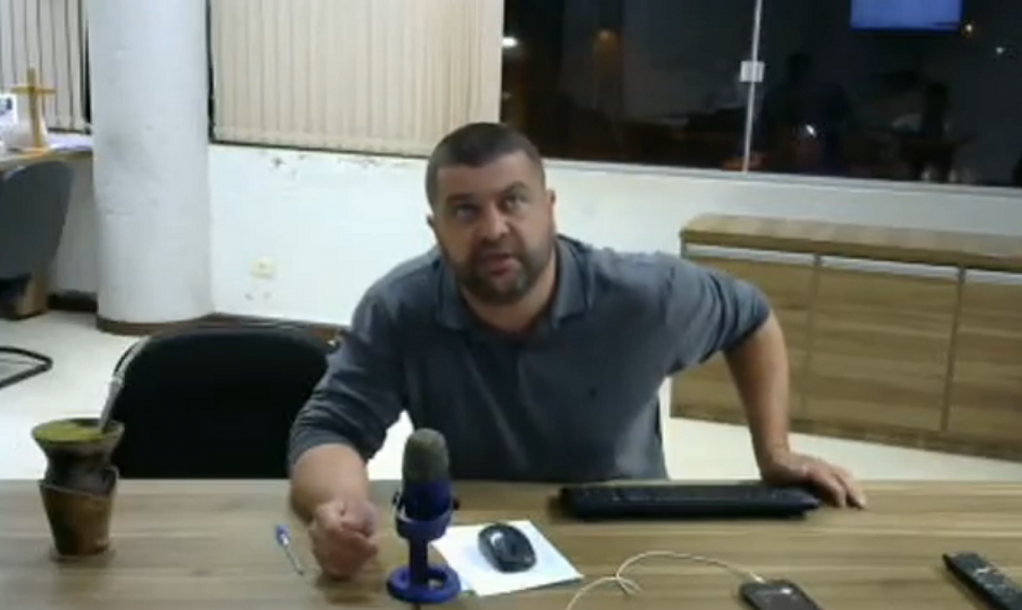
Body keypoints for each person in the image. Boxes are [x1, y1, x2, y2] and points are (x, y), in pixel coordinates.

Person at [288, 122, 866, 579]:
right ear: (435, 227)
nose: (493, 229)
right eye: (465, 210)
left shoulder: (644, 296)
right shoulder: (400, 309)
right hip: (480, 548)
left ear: (550, 207)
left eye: (513, 201)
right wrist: (342, 509)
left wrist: (775, 451)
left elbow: (752, 316)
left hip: (631, 541)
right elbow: (328, 429)